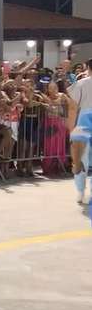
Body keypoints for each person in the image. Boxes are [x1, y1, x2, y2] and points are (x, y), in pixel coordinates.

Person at [67, 59, 92, 204]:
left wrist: (71, 129)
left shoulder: (81, 83)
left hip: (84, 121)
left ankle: (81, 192)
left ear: (88, 68)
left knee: (81, 159)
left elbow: (72, 108)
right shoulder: (81, 83)